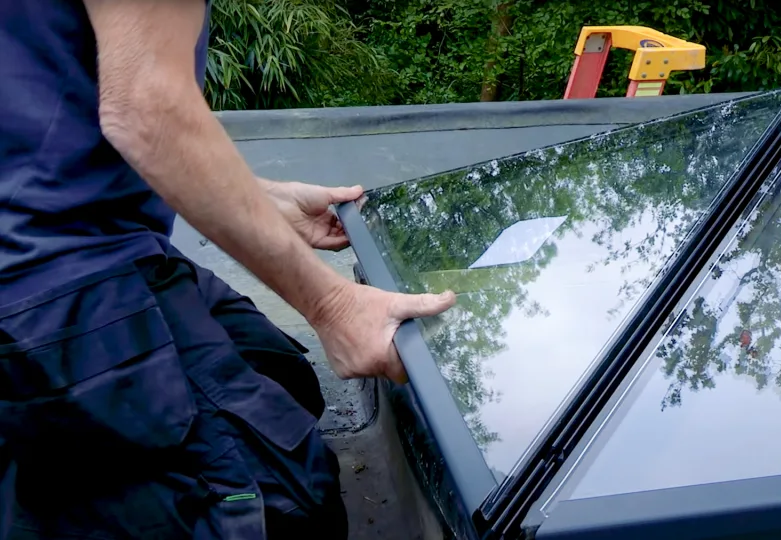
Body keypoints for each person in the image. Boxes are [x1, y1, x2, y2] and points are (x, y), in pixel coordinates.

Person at [0, 0, 456, 538]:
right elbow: (149, 112)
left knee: (277, 372)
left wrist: (266, 202)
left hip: (82, 240)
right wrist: (333, 306)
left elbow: (61, 102)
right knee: (283, 503)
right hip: (51, 276)